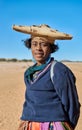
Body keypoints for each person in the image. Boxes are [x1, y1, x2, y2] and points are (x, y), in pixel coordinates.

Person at [12, 24, 80, 130]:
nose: (38, 48)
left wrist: (68, 127)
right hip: (30, 125)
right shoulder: (28, 73)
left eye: (43, 44)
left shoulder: (59, 70)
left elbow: (72, 105)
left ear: (51, 48)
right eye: (34, 44)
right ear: (30, 47)